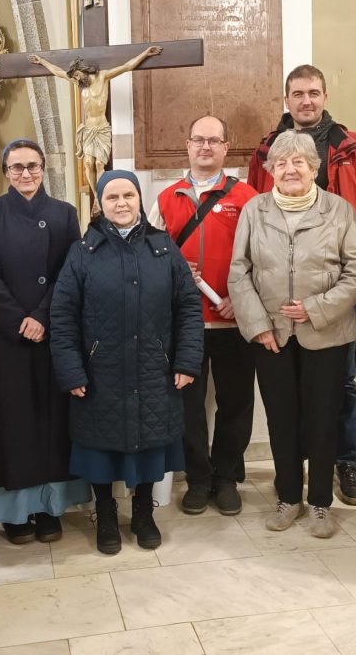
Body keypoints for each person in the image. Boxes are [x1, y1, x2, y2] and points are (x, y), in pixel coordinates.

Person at [51, 171, 204, 555]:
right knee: (99, 445)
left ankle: (143, 513)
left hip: (154, 367)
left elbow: (188, 307)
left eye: (129, 195)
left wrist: (186, 361)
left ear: (139, 199)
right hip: (100, 371)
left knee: (150, 441)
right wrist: (71, 369)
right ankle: (105, 513)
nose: (121, 203)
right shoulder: (82, 252)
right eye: (112, 197)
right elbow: (63, 315)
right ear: (100, 204)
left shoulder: (163, 247)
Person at [230, 130, 356, 537]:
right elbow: (239, 272)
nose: (290, 169)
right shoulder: (254, 210)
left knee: (323, 417)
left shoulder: (338, 210)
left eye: (299, 162)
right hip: (272, 335)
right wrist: (258, 326)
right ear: (270, 170)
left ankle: (321, 502)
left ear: (314, 168)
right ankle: (289, 497)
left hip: (327, 332)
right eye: (281, 163)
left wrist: (316, 308)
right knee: (281, 418)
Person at [247, 64, 356, 506]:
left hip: (334, 286)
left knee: (340, 386)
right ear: (287, 99)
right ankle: (293, 475)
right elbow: (256, 208)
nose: (306, 100)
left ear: (324, 96)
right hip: (280, 301)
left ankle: (344, 463)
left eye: (314, 92)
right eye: (298, 93)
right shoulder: (267, 148)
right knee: (288, 396)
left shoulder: (352, 145)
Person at [0, 139, 89, 544]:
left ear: (43, 168)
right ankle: (14, 512)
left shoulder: (64, 213)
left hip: (51, 329)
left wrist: (42, 316)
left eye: (33, 166)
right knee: (11, 419)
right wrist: (18, 319)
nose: (26, 173)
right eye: (17, 167)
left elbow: (70, 270)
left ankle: (50, 507)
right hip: (5, 335)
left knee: (50, 418)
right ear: (5, 172)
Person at [148, 115, 259, 517]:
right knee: (187, 404)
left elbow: (261, 257)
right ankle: (197, 478)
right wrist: (175, 273)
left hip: (233, 320)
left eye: (214, 140)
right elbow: (149, 256)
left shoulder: (247, 197)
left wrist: (238, 297)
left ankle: (226, 478)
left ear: (226, 147)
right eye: (199, 139)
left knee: (235, 401)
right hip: (184, 322)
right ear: (188, 145)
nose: (206, 146)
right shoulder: (166, 198)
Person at [27, 46, 161, 210]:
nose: (76, 78)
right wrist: (42, 61)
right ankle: (97, 197)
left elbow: (127, 66)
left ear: (83, 70)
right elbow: (58, 72)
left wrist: (145, 53)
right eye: (75, 77)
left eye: (77, 74)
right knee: (88, 163)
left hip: (102, 128)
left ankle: (101, 196)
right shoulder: (79, 83)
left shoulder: (103, 77)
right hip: (89, 130)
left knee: (99, 164)